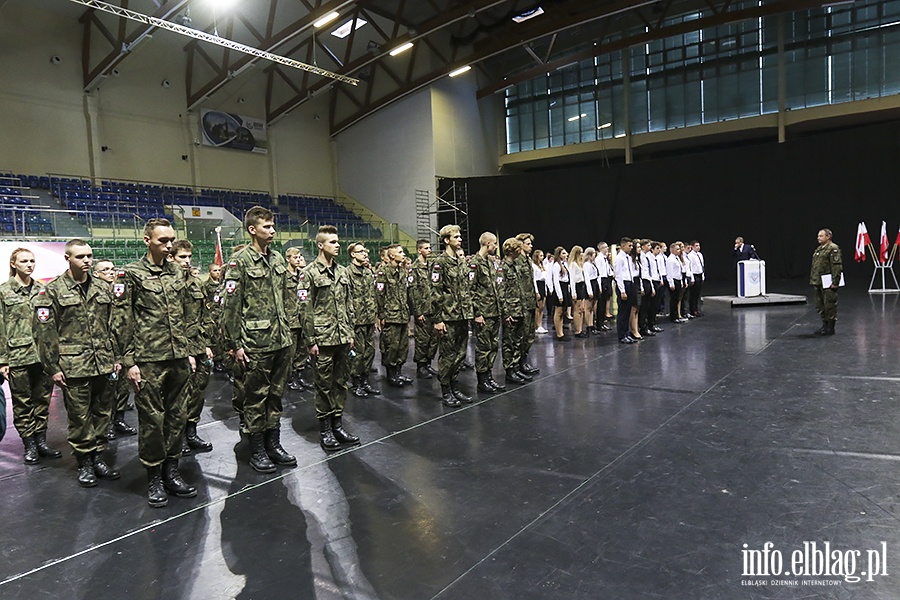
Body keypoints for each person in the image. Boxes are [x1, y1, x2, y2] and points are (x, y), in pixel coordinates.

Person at [111, 218, 196, 507]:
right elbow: (122, 320)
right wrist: (129, 361)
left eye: (172, 239)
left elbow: (186, 314)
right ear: (147, 240)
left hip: (178, 357)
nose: (169, 245)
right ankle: (154, 478)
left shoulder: (177, 272)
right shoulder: (131, 274)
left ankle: (172, 471)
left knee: (177, 417)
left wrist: (190, 351)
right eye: (163, 240)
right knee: (151, 420)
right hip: (147, 360)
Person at [34, 239, 121, 487]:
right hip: (73, 365)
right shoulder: (52, 291)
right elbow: (45, 333)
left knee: (103, 413)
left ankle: (99, 456)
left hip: (103, 361)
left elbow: (112, 325)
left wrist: (116, 357)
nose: (87, 261)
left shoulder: (103, 289)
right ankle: (84, 461)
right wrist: (52, 367)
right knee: (80, 416)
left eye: (90, 256)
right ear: (68, 259)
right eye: (80, 256)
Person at [222, 206, 297, 472]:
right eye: (267, 226)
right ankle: (256, 449)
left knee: (276, 395)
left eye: (273, 225)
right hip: (255, 342)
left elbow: (287, 298)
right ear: (252, 229)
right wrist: (235, 345)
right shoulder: (239, 262)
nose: (273, 230)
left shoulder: (277, 259)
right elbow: (230, 307)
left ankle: (273, 443)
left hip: (281, 339)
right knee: (255, 397)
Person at [301, 225, 358, 452]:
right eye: (332, 241)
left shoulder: (343, 272)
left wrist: (350, 332)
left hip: (343, 336)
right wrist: (310, 340)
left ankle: (338, 425)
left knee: (340, 383)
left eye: (337, 241)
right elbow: (304, 309)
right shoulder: (309, 273)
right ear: (320, 245)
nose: (337, 245)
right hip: (322, 339)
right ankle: (325, 429)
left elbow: (348, 304)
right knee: (323, 386)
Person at [0, 248, 60, 464]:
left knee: (42, 401)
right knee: (22, 403)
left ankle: (41, 441)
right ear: (13, 263)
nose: (29, 264)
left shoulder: (42, 291)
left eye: (32, 261)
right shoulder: (4, 292)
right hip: (18, 356)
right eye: (24, 261)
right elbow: (0, 328)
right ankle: (30, 445)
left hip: (42, 357)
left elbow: (51, 324)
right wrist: (2, 360)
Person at [171, 240, 214, 455]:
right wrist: (185, 351)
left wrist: (206, 343)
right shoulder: (168, 284)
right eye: (182, 257)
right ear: (171, 258)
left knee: (198, 392)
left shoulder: (197, 283)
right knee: (180, 396)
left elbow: (204, 316)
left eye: (189, 257)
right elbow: (170, 321)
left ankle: (191, 432)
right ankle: (178, 438)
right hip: (178, 350)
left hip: (198, 345)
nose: (187, 261)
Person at [431, 224, 474, 407]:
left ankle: (455, 387)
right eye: (456, 237)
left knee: (460, 354)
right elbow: (435, 292)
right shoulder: (440, 263)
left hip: (462, 315)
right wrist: (438, 319)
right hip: (448, 316)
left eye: (460, 236)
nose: (460, 239)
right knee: (448, 356)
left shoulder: (460, 261)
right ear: (447, 240)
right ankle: (446, 390)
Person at [93, 259, 136, 439]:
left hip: (124, 344)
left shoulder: (122, 290)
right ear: (96, 274)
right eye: (105, 270)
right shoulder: (94, 292)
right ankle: (108, 423)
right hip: (105, 347)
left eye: (112, 269)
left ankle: (119, 419)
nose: (110, 272)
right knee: (107, 389)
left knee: (123, 387)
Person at [469, 232, 505, 394]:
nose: (496, 247)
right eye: (494, 244)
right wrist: (477, 313)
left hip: (494, 311)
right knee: (483, 347)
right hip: (483, 312)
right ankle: (482, 379)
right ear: (487, 244)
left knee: (492, 346)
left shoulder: (490, 263)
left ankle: (489, 376)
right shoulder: (474, 263)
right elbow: (471, 290)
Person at [376, 244, 413, 388]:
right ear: (392, 255)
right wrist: (381, 315)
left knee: (402, 346)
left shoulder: (402, 271)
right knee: (392, 346)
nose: (403, 254)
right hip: (391, 315)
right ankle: (391, 374)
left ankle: (399, 371)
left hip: (402, 314)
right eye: (400, 252)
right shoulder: (383, 272)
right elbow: (379, 295)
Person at [346, 242, 380, 398]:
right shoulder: (348, 273)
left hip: (368, 318)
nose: (365, 254)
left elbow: (372, 296)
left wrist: (375, 317)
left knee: (369, 352)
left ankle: (365, 381)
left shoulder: (367, 272)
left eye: (365, 252)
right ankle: (356, 383)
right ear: (353, 254)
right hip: (356, 320)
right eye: (361, 252)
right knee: (358, 354)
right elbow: (346, 299)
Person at [500, 238, 529, 385]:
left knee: (518, 341)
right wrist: (506, 313)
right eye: (518, 248)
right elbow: (502, 292)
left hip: (519, 308)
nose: (521, 250)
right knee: (509, 343)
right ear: (513, 250)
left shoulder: (515, 267)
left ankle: (516, 367)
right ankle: (509, 370)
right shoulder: (503, 267)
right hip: (511, 310)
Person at [410, 239, 439, 379]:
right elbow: (413, 292)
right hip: (422, 310)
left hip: (432, 308)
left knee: (433, 339)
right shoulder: (414, 268)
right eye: (426, 248)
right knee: (422, 339)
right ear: (419, 250)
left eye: (429, 248)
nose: (429, 250)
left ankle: (428, 363)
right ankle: (421, 366)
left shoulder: (432, 266)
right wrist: (417, 312)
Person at [284, 248, 312, 392]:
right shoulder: (283, 277)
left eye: (300, 256)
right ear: (288, 259)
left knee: (302, 351)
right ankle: (290, 378)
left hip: (303, 319)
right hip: (290, 320)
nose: (298, 259)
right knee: (291, 352)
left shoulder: (303, 276)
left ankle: (299, 375)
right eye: (295, 257)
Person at [514, 233, 540, 376]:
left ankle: (524, 361)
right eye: (528, 244)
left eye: (531, 243)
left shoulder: (528, 260)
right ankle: (518, 364)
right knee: (521, 335)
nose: (530, 246)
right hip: (522, 303)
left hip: (530, 301)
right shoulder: (517, 261)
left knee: (530, 335)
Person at [810, 228, 842, 336]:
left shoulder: (833, 249)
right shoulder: (819, 249)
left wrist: (835, 282)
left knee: (829, 305)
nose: (818, 238)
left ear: (828, 236)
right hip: (819, 281)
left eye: (821, 236)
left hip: (828, 282)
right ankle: (824, 325)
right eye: (818, 236)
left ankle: (830, 328)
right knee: (820, 305)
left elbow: (836, 266)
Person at [614, 238, 638, 344]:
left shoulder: (628, 257)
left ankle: (626, 333)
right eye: (629, 246)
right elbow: (618, 275)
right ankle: (621, 335)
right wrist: (622, 290)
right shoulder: (619, 258)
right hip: (624, 285)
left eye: (632, 246)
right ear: (623, 246)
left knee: (628, 311)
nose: (631, 248)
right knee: (623, 312)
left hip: (630, 283)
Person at [549, 246, 571, 342]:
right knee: (558, 312)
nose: (565, 255)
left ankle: (561, 331)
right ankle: (559, 333)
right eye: (563, 253)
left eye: (566, 253)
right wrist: (560, 295)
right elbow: (556, 281)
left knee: (562, 311)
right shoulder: (556, 265)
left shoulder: (564, 264)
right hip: (560, 288)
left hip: (565, 287)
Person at [568, 245, 590, 338]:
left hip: (582, 286)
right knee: (577, 310)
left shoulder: (580, 264)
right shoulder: (573, 264)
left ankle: (581, 329)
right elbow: (572, 279)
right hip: (577, 286)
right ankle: (577, 330)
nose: (582, 254)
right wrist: (573, 292)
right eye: (580, 252)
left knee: (581, 309)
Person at [531, 249, 548, 334]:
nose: (543, 257)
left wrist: (545, 289)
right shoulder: (533, 266)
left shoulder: (542, 265)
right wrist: (536, 292)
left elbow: (545, 278)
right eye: (541, 256)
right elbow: (534, 279)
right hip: (537, 284)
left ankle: (540, 324)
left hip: (542, 285)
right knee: (538, 307)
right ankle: (537, 325)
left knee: (542, 307)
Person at [687, 240, 705, 317]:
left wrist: (703, 274)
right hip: (694, 275)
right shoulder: (690, 255)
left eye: (699, 245)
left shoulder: (700, 255)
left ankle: (696, 309)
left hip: (700, 274)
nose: (698, 247)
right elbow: (690, 267)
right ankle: (692, 310)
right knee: (693, 294)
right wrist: (692, 278)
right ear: (692, 246)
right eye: (696, 245)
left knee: (698, 294)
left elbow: (702, 265)